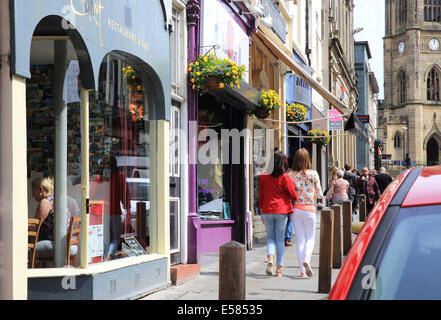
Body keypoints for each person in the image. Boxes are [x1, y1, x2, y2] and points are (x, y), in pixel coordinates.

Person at [258, 152, 298, 277]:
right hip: (282, 211)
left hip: (267, 210)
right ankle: (278, 270)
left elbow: (260, 196)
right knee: (280, 241)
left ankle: (270, 259)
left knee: (270, 238)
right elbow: (294, 195)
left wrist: (261, 212)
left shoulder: (263, 176)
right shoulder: (285, 177)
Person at [289, 148, 323, 278]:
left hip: (296, 209)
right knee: (310, 237)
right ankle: (307, 260)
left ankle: (302, 271)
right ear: (308, 159)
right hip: (310, 209)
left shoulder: (291, 175)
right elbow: (320, 194)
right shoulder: (313, 174)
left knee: (300, 239)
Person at [30, 177, 73, 263]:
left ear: (41, 189)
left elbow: (35, 226)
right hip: (67, 241)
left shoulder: (45, 202)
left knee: (19, 247)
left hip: (57, 243)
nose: (33, 195)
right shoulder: (55, 199)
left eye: (34, 191)